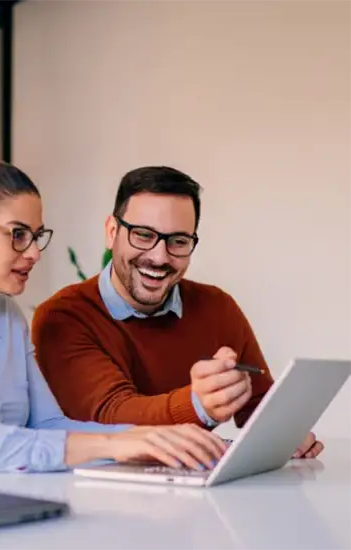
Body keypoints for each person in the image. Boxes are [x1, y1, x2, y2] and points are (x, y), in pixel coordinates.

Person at [0, 158, 228, 478]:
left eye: (37, 236)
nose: (34, 253)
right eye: (18, 235)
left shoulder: (6, 317)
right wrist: (117, 443)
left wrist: (155, 439)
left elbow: (48, 425)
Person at [32, 166, 323, 459]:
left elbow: (257, 403)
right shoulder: (63, 318)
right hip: (99, 491)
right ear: (112, 232)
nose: (160, 257)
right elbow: (111, 415)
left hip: (197, 492)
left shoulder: (217, 306)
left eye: (178, 241)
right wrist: (198, 405)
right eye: (143, 235)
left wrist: (284, 432)